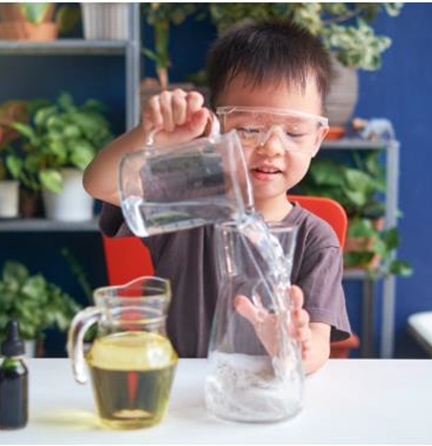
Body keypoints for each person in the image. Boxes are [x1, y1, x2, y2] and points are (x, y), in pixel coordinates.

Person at [83, 19, 351, 374]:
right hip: (179, 389)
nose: (271, 147)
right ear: (218, 126)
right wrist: (150, 141)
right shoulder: (190, 203)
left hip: (267, 393)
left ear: (317, 139)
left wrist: (293, 344)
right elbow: (98, 183)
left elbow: (317, 347)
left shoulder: (316, 240)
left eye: (293, 132)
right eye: (249, 129)